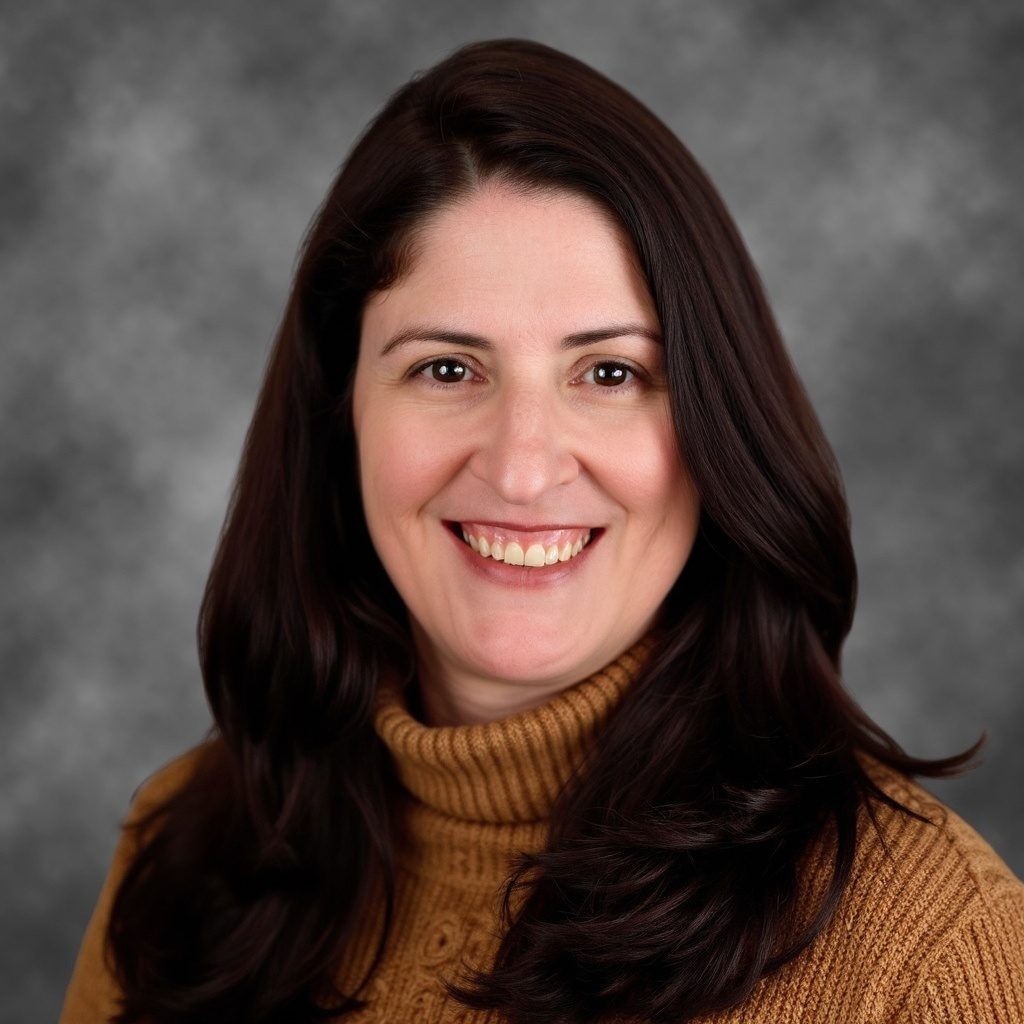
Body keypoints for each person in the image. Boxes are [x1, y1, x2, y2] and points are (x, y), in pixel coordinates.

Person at [60, 38, 1023, 1024]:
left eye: (609, 374)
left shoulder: (929, 953)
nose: (523, 467)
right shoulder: (185, 857)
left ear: (716, 422)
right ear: (336, 408)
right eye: (446, 370)